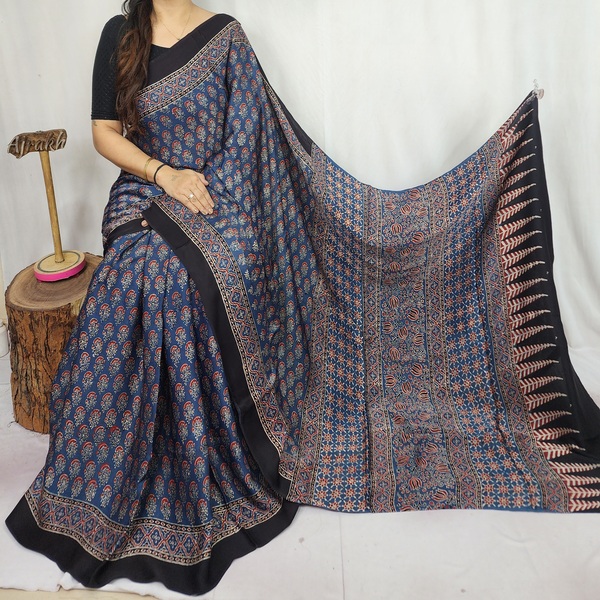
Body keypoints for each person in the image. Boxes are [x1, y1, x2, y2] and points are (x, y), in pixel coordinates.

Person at [6, 0, 600, 595]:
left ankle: (218, 440)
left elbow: (246, 146)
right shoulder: (120, 35)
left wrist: (201, 196)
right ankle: (126, 456)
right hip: (144, 192)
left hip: (220, 199)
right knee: (136, 275)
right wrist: (166, 176)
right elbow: (104, 133)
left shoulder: (225, 38)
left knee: (188, 275)